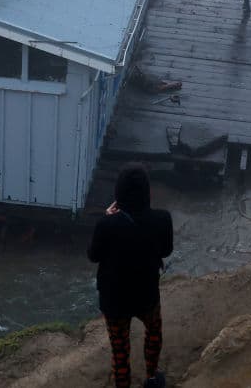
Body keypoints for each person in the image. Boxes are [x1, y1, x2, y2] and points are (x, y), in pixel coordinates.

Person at [88, 164, 173, 388]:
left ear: (118, 194)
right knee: (153, 332)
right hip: (146, 294)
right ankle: (153, 378)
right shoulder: (163, 219)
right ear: (148, 193)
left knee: (120, 349)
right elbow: (165, 251)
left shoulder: (106, 224)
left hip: (114, 300)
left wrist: (107, 219)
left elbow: (93, 256)